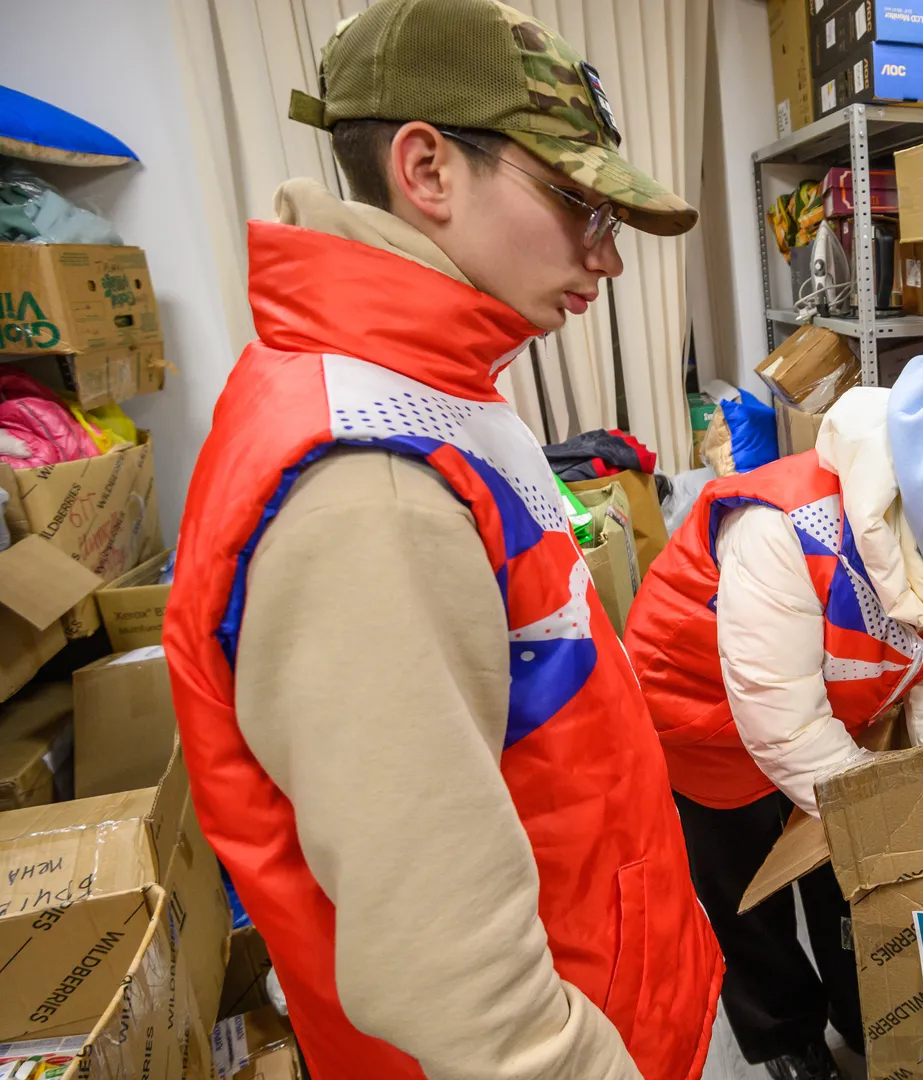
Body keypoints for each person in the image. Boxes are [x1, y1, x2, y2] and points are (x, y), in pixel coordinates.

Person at [163, 2, 721, 1077]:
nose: (607, 257)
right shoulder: (368, 487)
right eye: (579, 205)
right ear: (427, 169)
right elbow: (455, 978)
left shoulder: (430, 393)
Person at [625, 355, 923, 1080]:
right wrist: (880, 809)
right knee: (748, 896)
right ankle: (785, 1036)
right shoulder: (783, 531)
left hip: (824, 704)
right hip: (705, 713)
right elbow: (782, 722)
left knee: (842, 870)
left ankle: (863, 1011)